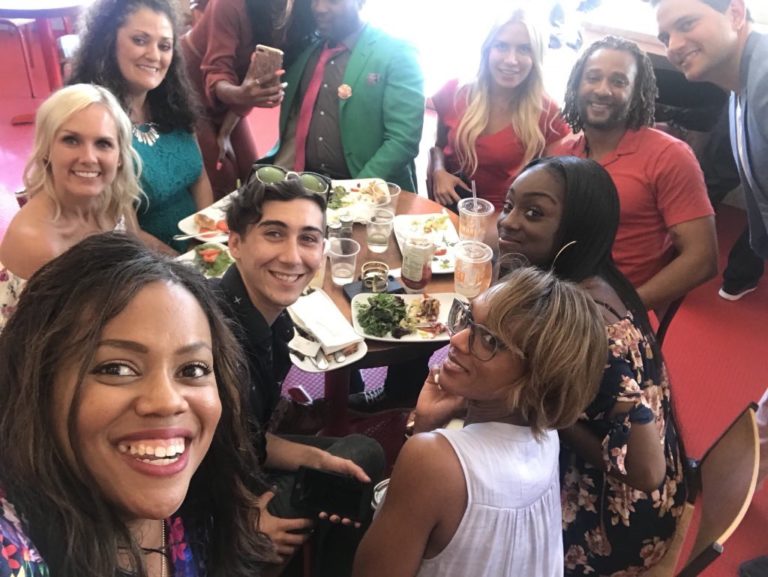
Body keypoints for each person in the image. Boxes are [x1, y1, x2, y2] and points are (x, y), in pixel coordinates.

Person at [0, 232, 275, 576]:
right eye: (116, 369)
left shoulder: (204, 494)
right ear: (37, 385)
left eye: (192, 369)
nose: (167, 402)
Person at [495, 156, 688, 575]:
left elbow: (647, 472)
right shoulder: (588, 276)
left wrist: (551, 414)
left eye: (533, 213)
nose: (507, 221)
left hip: (617, 519)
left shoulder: (590, 329)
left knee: (473, 518)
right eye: (509, 205)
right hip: (624, 481)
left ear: (576, 229)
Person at [353, 267, 607, 577]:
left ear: (536, 377)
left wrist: (422, 433)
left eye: (489, 341)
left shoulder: (433, 461)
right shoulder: (546, 435)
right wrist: (427, 424)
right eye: (468, 319)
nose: (457, 339)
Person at [213, 177, 385, 577]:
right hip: (200, 503)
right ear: (235, 242)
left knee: (358, 457)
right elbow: (191, 456)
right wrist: (242, 516)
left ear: (322, 250)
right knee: (355, 479)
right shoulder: (213, 338)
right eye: (274, 233)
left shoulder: (269, 322)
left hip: (235, 460)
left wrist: (317, 458)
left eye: (308, 238)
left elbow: (245, 438)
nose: (292, 257)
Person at [556, 35, 718, 315]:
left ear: (636, 93)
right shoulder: (563, 152)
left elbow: (702, 259)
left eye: (619, 82)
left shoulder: (669, 156)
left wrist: (625, 309)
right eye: (593, 78)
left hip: (614, 309)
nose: (602, 90)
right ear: (576, 85)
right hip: (556, 293)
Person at [70, 0, 213, 253]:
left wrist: (207, 241)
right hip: (145, 262)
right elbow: (127, 230)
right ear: (108, 42)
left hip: (201, 249)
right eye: (139, 40)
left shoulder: (174, 102)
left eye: (164, 46)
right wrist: (186, 262)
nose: (155, 55)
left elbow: (200, 177)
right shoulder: (94, 122)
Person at [0, 84, 141, 333]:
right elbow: (55, 344)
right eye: (71, 140)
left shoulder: (115, 199)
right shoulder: (37, 243)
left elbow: (133, 266)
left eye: (103, 143)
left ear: (120, 156)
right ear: (47, 149)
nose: (88, 157)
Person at [653, 0, 768, 303]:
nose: (674, 45)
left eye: (687, 24)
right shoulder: (740, 88)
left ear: (735, 13)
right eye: (665, 37)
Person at [268, 0, 425, 192]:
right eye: (315, 0)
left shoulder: (396, 53)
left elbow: (403, 140)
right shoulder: (306, 50)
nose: (319, 8)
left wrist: (354, 192)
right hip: (303, 187)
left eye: (333, 1)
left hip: (369, 192)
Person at [429, 9, 570, 212]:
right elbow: (438, 147)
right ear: (487, 49)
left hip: (508, 219)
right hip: (449, 211)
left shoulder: (548, 113)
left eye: (524, 49)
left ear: (536, 56)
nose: (511, 60)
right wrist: (438, 171)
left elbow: (552, 189)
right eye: (502, 46)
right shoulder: (455, 92)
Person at [182, 0, 317, 199]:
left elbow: (253, 83)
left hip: (235, 92)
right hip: (188, 87)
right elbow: (218, 72)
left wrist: (226, 131)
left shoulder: (302, 12)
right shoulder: (229, 4)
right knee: (222, 175)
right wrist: (244, 95)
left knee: (253, 173)